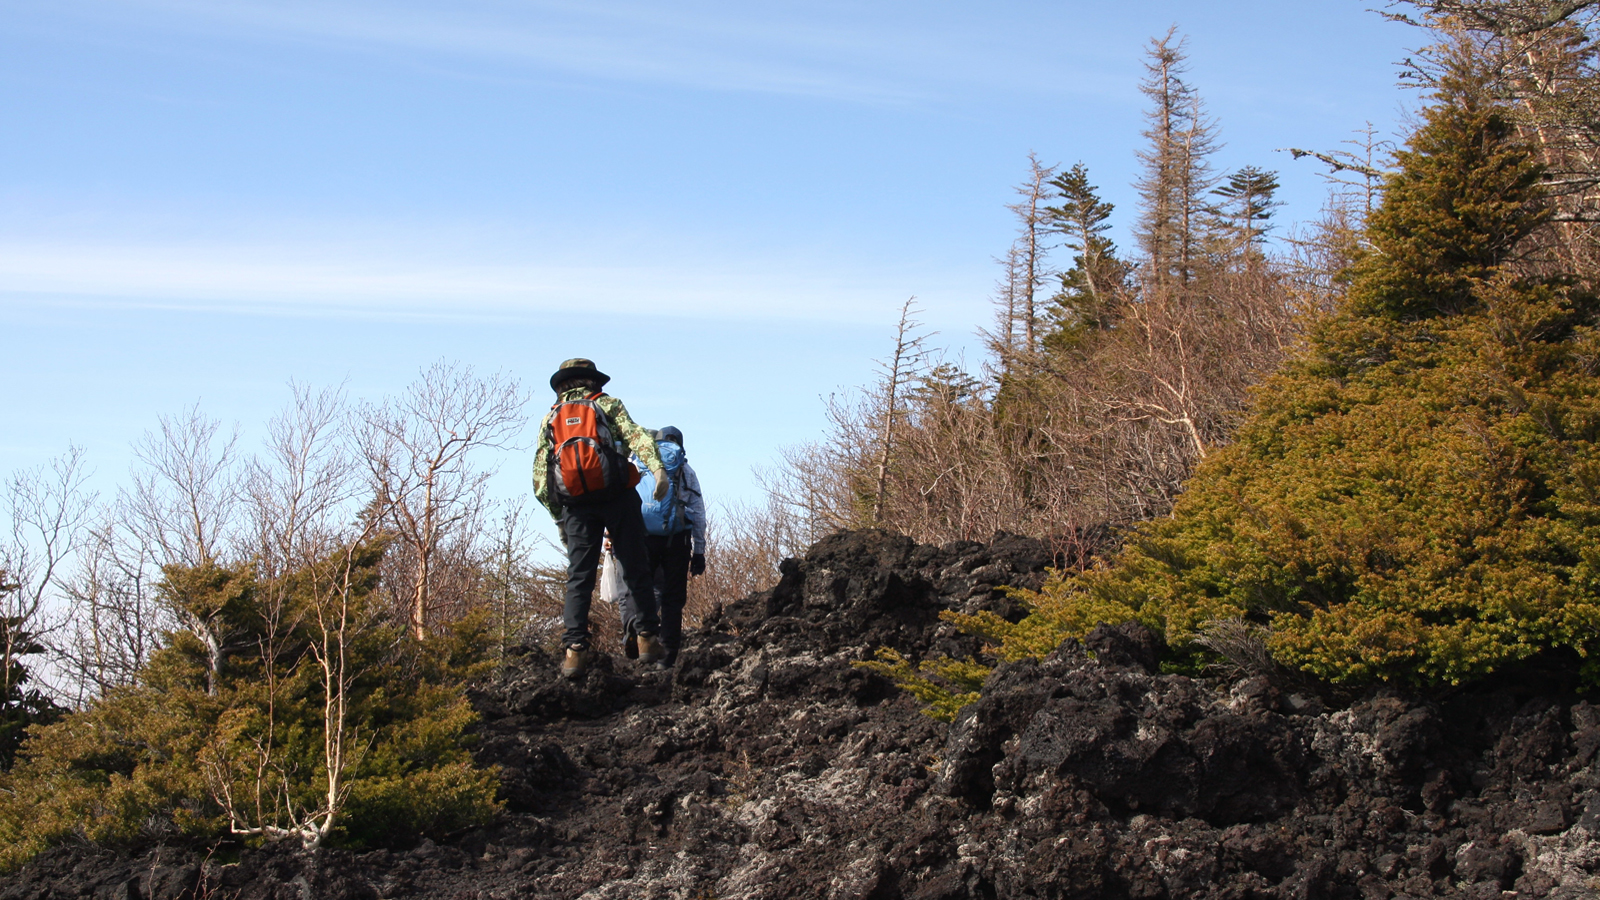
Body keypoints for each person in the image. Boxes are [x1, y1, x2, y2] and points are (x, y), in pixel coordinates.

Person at [533, 358, 670, 677]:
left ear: (562, 384)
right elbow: (637, 437)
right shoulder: (607, 404)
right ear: (593, 381)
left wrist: (559, 520)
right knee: (635, 565)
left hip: (576, 505)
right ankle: (648, 639)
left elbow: (540, 479)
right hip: (617, 496)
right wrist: (658, 470)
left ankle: (574, 652)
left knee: (578, 577)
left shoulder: (550, 418)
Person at [622, 425, 706, 669]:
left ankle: (637, 633)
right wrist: (699, 551)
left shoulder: (638, 462)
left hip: (641, 537)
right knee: (672, 599)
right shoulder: (685, 470)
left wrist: (617, 536)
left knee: (638, 588)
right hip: (676, 541)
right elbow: (698, 512)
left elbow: (623, 499)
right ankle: (667, 656)